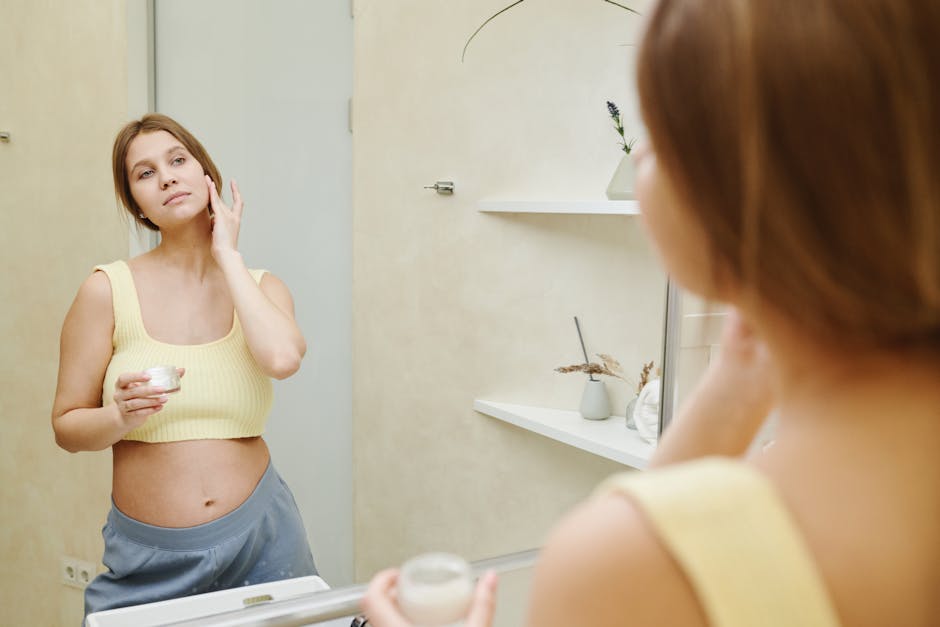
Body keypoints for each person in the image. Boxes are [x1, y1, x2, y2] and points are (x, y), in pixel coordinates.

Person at [362, 0, 940, 625]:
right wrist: (736, 386)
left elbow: (658, 553)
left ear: (735, 196)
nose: (637, 159)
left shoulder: (621, 571)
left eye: (657, 136)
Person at [51, 113, 318, 620]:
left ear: (207, 176)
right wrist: (118, 417)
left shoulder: (261, 287)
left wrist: (228, 256)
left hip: (266, 539)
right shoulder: (106, 290)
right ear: (137, 204)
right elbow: (66, 427)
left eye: (178, 160)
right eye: (145, 173)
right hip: (151, 557)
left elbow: (282, 360)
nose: (168, 176)